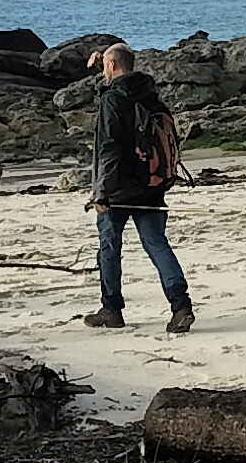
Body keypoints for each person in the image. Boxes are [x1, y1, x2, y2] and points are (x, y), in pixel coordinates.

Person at [80, 42, 195, 331]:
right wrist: (102, 66)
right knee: (156, 244)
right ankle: (181, 306)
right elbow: (118, 86)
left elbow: (109, 147)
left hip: (118, 188)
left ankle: (111, 309)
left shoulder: (112, 99)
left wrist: (101, 192)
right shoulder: (149, 94)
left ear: (112, 65)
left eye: (106, 66)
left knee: (109, 247)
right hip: (152, 182)